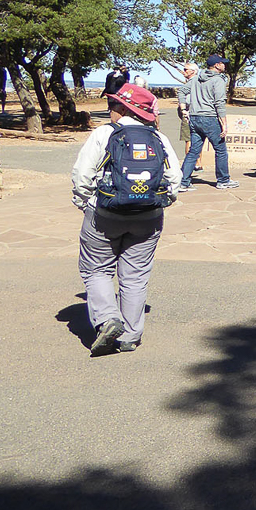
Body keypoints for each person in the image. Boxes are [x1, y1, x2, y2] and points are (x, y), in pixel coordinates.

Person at [70, 82, 180, 355]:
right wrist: (161, 202)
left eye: (113, 105)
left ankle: (108, 319)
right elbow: (174, 179)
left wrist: (85, 203)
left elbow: (82, 176)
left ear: (123, 109)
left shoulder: (104, 134)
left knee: (97, 269)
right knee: (135, 276)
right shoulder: (159, 138)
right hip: (149, 216)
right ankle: (130, 336)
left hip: (105, 213)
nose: (110, 111)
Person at [179, 55, 240, 191]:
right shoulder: (217, 80)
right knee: (221, 150)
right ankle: (223, 180)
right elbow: (219, 103)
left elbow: (182, 90)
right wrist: (224, 123)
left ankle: (183, 182)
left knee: (194, 151)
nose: (225, 65)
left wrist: (184, 109)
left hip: (194, 118)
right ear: (217, 65)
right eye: (223, 63)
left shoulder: (196, 78)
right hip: (210, 118)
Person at [175, 61, 205, 173]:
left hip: (189, 114)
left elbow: (187, 99)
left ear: (193, 71)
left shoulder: (191, 83)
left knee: (188, 140)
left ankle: (190, 165)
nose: (184, 72)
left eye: (185, 69)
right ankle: (199, 163)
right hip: (200, 114)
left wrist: (183, 109)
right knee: (199, 140)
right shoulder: (201, 82)